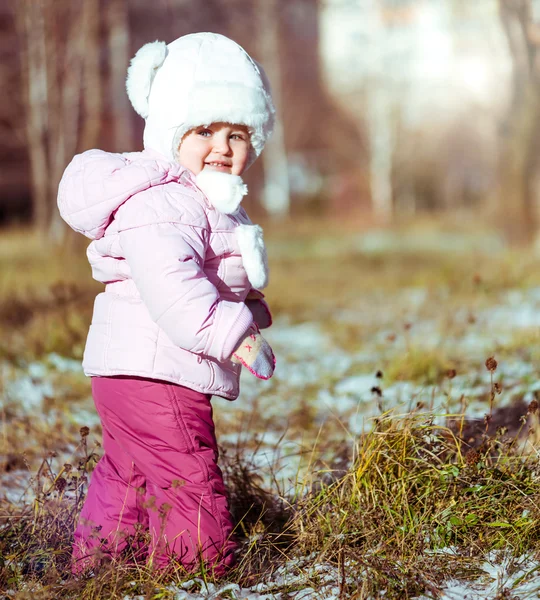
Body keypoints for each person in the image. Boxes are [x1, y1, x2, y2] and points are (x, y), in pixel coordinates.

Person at [57, 32, 276, 576]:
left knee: (129, 472)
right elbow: (174, 290)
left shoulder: (203, 200)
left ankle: (100, 567)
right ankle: (194, 573)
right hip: (160, 370)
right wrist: (237, 334)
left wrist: (251, 306)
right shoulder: (166, 203)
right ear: (170, 132)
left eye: (237, 134)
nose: (222, 147)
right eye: (204, 130)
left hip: (133, 368)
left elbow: (212, 273)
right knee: (188, 475)